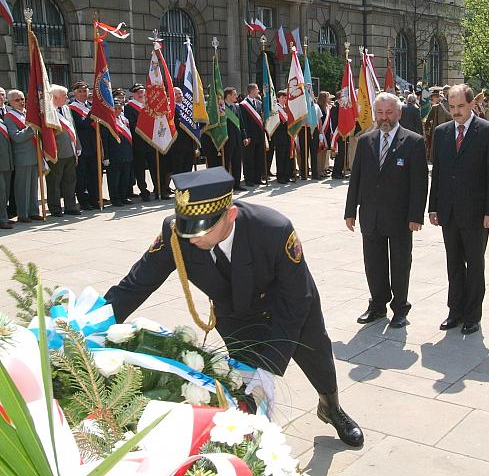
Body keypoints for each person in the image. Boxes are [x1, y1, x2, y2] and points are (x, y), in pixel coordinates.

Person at [104, 167, 364, 447]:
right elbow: (136, 283)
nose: (192, 238)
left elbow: (296, 300)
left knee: (318, 361)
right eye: (187, 228)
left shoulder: (274, 230)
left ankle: (331, 408)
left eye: (202, 229)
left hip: (287, 305)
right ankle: (251, 443)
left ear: (230, 215)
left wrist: (270, 366)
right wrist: (96, 318)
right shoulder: (176, 234)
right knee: (247, 384)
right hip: (237, 313)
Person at [344, 93, 428, 328]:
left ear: (399, 113)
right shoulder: (365, 141)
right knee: (373, 263)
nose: (384, 117)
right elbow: (356, 178)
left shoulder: (413, 141)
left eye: (389, 112)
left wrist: (416, 215)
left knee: (400, 263)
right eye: (380, 113)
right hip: (371, 215)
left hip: (400, 217)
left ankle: (400, 308)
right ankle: (378, 305)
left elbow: (419, 183)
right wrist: (350, 211)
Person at [428, 84, 489, 335]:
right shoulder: (441, 132)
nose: (456, 111)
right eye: (452, 107)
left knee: (474, 264)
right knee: (453, 264)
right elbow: (438, 172)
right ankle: (455, 310)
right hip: (448, 211)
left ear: (472, 104)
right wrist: (433, 206)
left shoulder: (488, 131)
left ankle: (472, 315)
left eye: (461, 106)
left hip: (476, 213)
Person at [5, 90, 43, 223]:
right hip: (22, 157)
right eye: (17, 100)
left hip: (34, 154)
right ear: (10, 103)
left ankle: (33, 211)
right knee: (22, 187)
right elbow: (16, 137)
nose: (21, 102)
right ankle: (23, 213)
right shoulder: (9, 117)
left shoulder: (28, 113)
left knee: (33, 187)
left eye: (22, 99)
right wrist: (32, 128)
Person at [48, 84, 82, 216]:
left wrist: (78, 146)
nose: (67, 97)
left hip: (70, 151)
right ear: (55, 97)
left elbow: (72, 128)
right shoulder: (48, 111)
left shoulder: (66, 109)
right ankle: (55, 208)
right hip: (56, 152)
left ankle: (70, 206)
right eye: (64, 96)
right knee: (54, 182)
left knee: (70, 181)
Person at [69, 81, 100, 210]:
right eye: (80, 91)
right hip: (82, 146)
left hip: (94, 145)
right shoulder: (72, 108)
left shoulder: (90, 106)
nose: (83, 94)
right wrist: (92, 113)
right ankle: (84, 201)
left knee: (94, 174)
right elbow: (82, 125)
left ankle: (95, 198)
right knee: (82, 176)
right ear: (75, 93)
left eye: (85, 91)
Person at [126, 84, 158, 201]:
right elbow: (132, 125)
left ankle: (158, 189)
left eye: (142, 92)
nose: (140, 94)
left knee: (154, 167)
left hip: (151, 142)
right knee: (140, 169)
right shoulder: (129, 107)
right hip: (138, 143)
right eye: (137, 92)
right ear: (133, 94)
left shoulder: (148, 105)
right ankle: (144, 191)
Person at [103, 97, 134, 207]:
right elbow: (105, 140)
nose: (117, 110)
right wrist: (106, 156)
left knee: (125, 178)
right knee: (114, 179)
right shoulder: (108, 122)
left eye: (119, 108)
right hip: (113, 155)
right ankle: (115, 199)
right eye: (115, 108)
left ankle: (123, 197)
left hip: (126, 153)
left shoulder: (125, 120)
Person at [239, 83, 265, 186]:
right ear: (252, 90)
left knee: (258, 157)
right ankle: (249, 179)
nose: (258, 91)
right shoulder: (243, 104)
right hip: (250, 136)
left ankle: (257, 178)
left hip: (259, 135)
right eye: (257, 89)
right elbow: (243, 122)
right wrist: (246, 136)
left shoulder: (259, 103)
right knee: (248, 158)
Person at [223, 87, 248, 192]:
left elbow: (241, 123)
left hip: (238, 139)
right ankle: (226, 186)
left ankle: (237, 184)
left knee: (237, 162)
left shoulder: (236, 107)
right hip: (227, 140)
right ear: (228, 96)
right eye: (234, 94)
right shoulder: (222, 107)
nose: (236, 96)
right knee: (226, 163)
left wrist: (244, 136)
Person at [423, 88, 452, 161]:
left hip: (439, 132)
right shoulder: (454, 106)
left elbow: (427, 121)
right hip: (450, 132)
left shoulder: (436, 107)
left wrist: (427, 131)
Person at [0, 102, 12, 229]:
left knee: (5, 192)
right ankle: (2, 219)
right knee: (1, 192)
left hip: (6, 161)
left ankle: (4, 217)